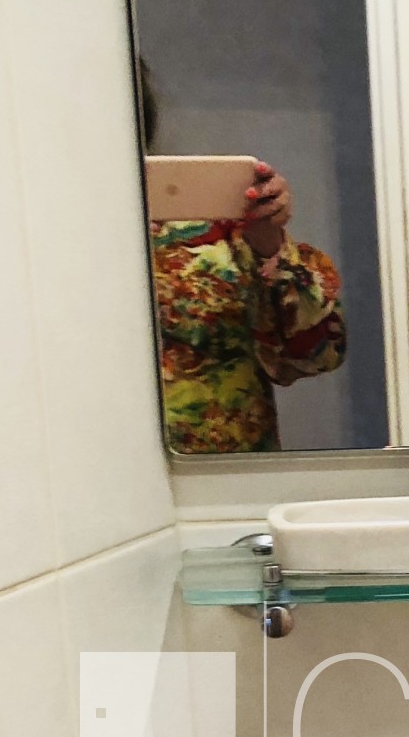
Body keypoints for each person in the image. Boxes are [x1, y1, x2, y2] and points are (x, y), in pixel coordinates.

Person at [140, 69, 348, 454]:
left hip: (229, 479)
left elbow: (319, 354)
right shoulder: (41, 250)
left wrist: (269, 244)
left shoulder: (218, 233)